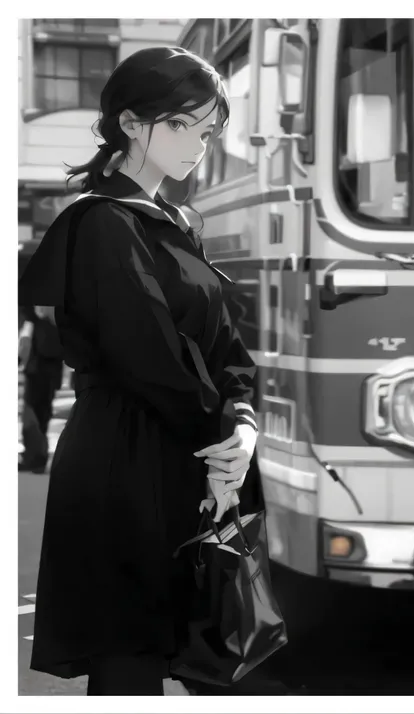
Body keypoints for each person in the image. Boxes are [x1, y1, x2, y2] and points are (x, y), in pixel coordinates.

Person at [18, 46, 264, 696]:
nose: (200, 146)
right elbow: (149, 354)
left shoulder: (178, 221)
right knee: (129, 662)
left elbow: (226, 346)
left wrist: (243, 425)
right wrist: (223, 445)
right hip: (123, 468)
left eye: (209, 131)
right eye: (185, 125)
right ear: (131, 122)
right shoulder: (101, 222)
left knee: (193, 649)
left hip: (187, 458)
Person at [18, 305, 63, 474]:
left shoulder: (42, 324)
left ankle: (35, 458)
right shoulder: (56, 326)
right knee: (40, 415)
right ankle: (35, 457)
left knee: (33, 416)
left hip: (39, 374)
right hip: (47, 376)